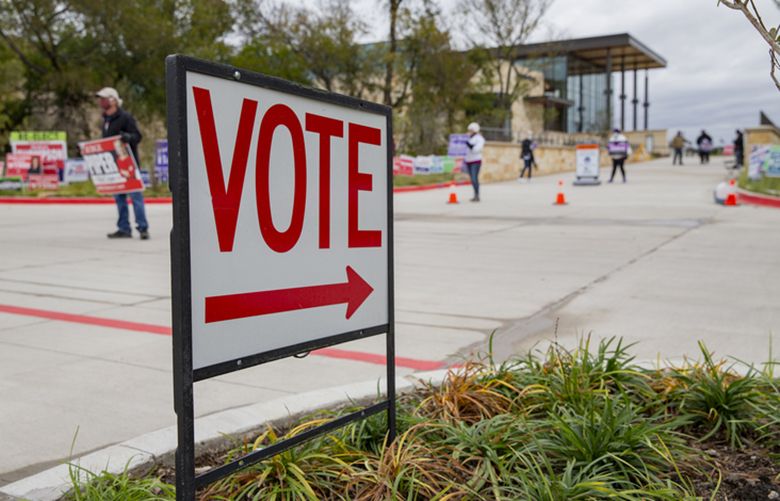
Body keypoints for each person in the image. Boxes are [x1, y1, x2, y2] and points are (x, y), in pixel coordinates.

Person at [97, 87, 149, 240]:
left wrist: (127, 137)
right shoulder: (105, 120)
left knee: (136, 197)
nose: (101, 101)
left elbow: (137, 136)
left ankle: (143, 228)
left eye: (104, 98)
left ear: (113, 100)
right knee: (119, 198)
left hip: (129, 165)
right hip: (114, 167)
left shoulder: (125, 117)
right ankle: (123, 228)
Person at [463, 122, 485, 201]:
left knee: (474, 178)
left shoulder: (479, 138)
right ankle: (475, 194)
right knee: (472, 178)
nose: (469, 131)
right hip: (468, 161)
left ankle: (477, 195)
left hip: (476, 161)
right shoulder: (468, 138)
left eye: (471, 130)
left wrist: (468, 144)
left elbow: (476, 150)